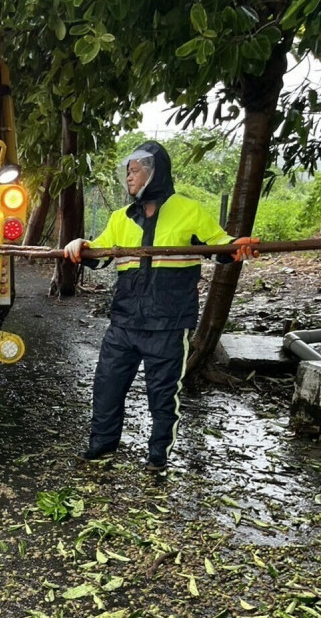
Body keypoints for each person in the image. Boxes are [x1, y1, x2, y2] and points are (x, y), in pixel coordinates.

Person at [64, 141, 259, 472]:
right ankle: (101, 445)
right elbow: (98, 256)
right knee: (107, 387)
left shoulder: (188, 210)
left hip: (168, 324)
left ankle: (157, 457)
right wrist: (79, 245)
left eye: (136, 170)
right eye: (127, 171)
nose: (129, 177)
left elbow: (218, 247)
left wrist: (236, 247)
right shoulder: (120, 218)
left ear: (155, 173)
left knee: (163, 395)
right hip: (124, 323)